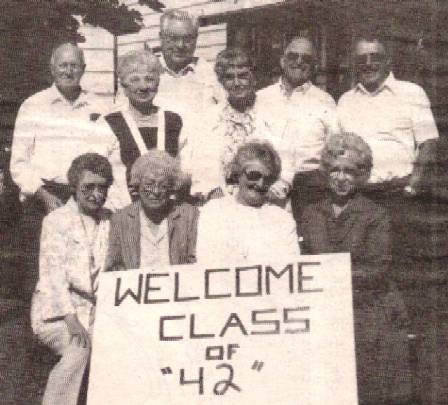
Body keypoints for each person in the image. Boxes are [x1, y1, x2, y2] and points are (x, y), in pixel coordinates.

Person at [300, 133, 412, 405]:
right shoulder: (310, 212)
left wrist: (330, 275)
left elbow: (377, 270)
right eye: (335, 170)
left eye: (349, 171)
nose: (341, 178)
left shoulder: (376, 215)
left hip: (366, 311)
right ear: (325, 173)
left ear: (362, 175)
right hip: (323, 310)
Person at [31, 153, 113, 405]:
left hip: (97, 311)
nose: (96, 195)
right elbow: (51, 274)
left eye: (102, 188)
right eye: (89, 187)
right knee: (79, 348)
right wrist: (70, 319)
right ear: (75, 188)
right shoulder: (56, 221)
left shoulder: (110, 220)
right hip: (57, 312)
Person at [10, 42, 112, 213]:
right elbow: (19, 163)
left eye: (74, 66)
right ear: (52, 69)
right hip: (43, 196)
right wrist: (42, 194)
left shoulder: (100, 106)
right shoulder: (33, 105)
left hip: (90, 196)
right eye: (63, 65)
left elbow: (110, 153)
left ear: (83, 69)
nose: (68, 71)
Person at [337, 32, 439, 194]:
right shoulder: (345, 100)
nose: (368, 64)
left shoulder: (412, 93)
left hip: (399, 191)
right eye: (361, 59)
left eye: (375, 57)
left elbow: (429, 144)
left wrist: (412, 186)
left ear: (388, 62)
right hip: (358, 194)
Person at [190, 48, 293, 205]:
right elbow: (200, 165)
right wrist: (213, 191)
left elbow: (287, 160)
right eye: (229, 77)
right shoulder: (208, 118)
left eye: (243, 76)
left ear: (253, 78)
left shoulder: (275, 114)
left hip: (265, 199)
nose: (237, 83)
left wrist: (273, 190)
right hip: (221, 202)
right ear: (221, 81)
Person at [257, 36, 338, 219]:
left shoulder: (325, 101)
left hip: (310, 194)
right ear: (282, 61)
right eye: (293, 56)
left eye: (306, 59)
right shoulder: (261, 98)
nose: (299, 62)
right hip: (266, 190)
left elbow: (333, 152)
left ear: (314, 66)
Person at [99, 50, 189, 209]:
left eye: (149, 79)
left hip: (170, 209)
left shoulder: (174, 121)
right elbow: (99, 172)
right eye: (134, 80)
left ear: (158, 84)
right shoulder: (109, 123)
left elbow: (188, 167)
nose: (143, 86)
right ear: (124, 87)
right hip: (124, 211)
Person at [196, 141, 299, 264]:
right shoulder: (213, 211)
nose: (260, 183)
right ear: (238, 173)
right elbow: (207, 263)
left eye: (267, 179)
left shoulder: (282, 220)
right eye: (254, 175)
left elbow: (289, 268)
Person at [106, 150, 198, 270]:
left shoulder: (189, 215)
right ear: (137, 185)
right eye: (149, 184)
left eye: (163, 185)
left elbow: (196, 262)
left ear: (171, 188)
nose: (156, 191)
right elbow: (113, 265)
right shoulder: (120, 219)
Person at [155, 9, 223, 113]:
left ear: (196, 39)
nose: (180, 45)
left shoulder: (209, 73)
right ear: (161, 38)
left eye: (187, 39)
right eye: (173, 38)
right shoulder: (147, 72)